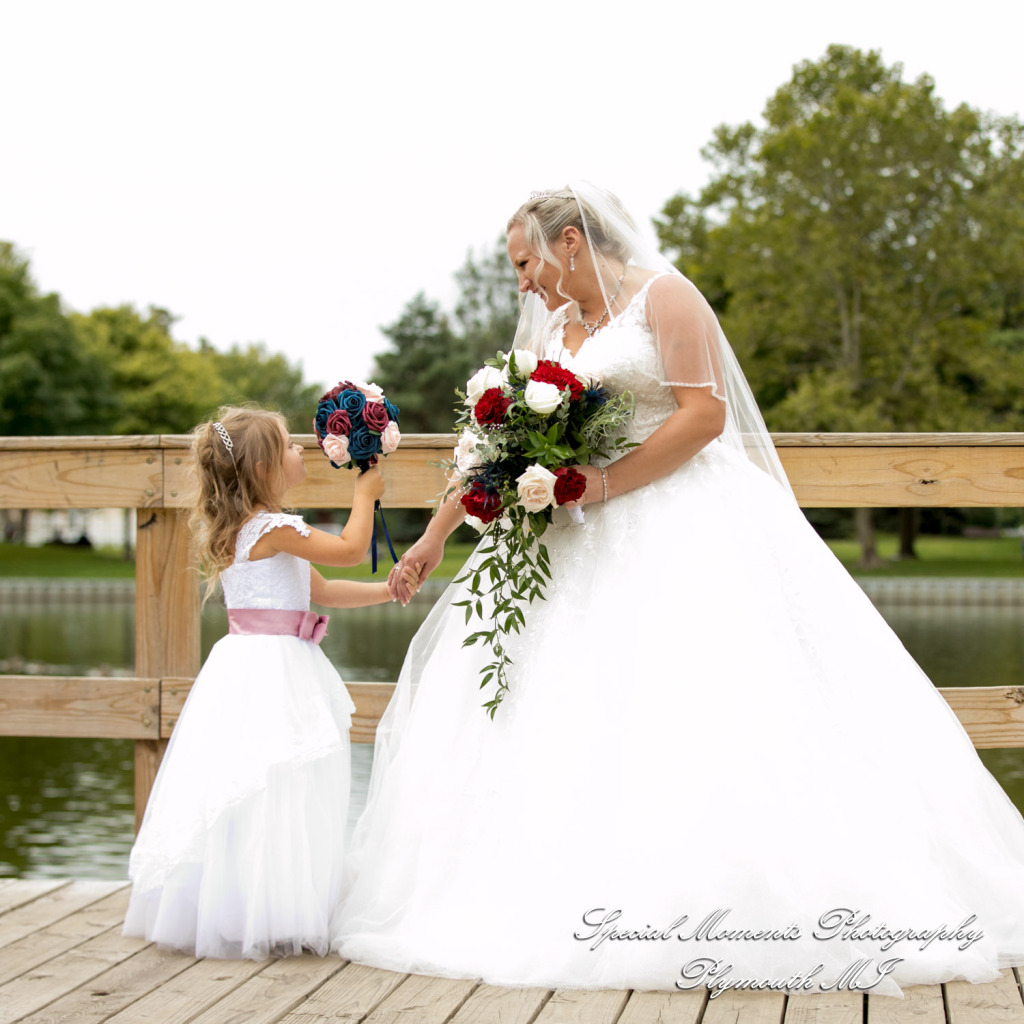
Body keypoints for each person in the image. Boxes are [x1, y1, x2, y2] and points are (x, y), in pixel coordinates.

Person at [333, 184, 1024, 996]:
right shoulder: (553, 330)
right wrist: (433, 536)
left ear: (569, 242)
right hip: (569, 531)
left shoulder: (667, 298)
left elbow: (702, 417)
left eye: (525, 263)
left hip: (678, 521)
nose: (521, 282)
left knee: (696, 702)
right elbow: (498, 447)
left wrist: (602, 483)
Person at [123, 405, 420, 959]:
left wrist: (386, 591)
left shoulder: (254, 528)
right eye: (289, 445)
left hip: (251, 664)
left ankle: (258, 905)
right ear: (263, 468)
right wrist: (364, 492)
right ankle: (264, 910)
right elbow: (351, 550)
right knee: (274, 782)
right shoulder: (272, 528)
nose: (301, 450)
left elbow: (321, 591)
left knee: (268, 784)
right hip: (271, 670)